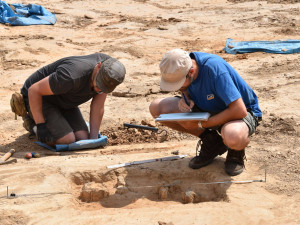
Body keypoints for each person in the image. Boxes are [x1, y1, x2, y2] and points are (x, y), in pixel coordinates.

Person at [149, 49, 262, 176]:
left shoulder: (214, 70)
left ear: (191, 72)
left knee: (233, 135)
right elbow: (185, 86)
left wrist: (203, 125)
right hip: (207, 109)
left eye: (179, 85)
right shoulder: (180, 63)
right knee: (157, 109)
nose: (178, 88)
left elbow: (239, 110)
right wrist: (185, 97)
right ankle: (212, 142)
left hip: (238, 112)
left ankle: (236, 151)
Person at [19, 53, 126, 145]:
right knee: (67, 139)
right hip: (40, 98)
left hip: (65, 101)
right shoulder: (71, 76)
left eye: (103, 87)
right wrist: (40, 125)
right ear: (98, 66)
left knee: (83, 138)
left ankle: (56, 121)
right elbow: (33, 90)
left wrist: (93, 140)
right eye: (98, 83)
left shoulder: (110, 74)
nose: (98, 89)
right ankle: (31, 123)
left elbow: (98, 106)